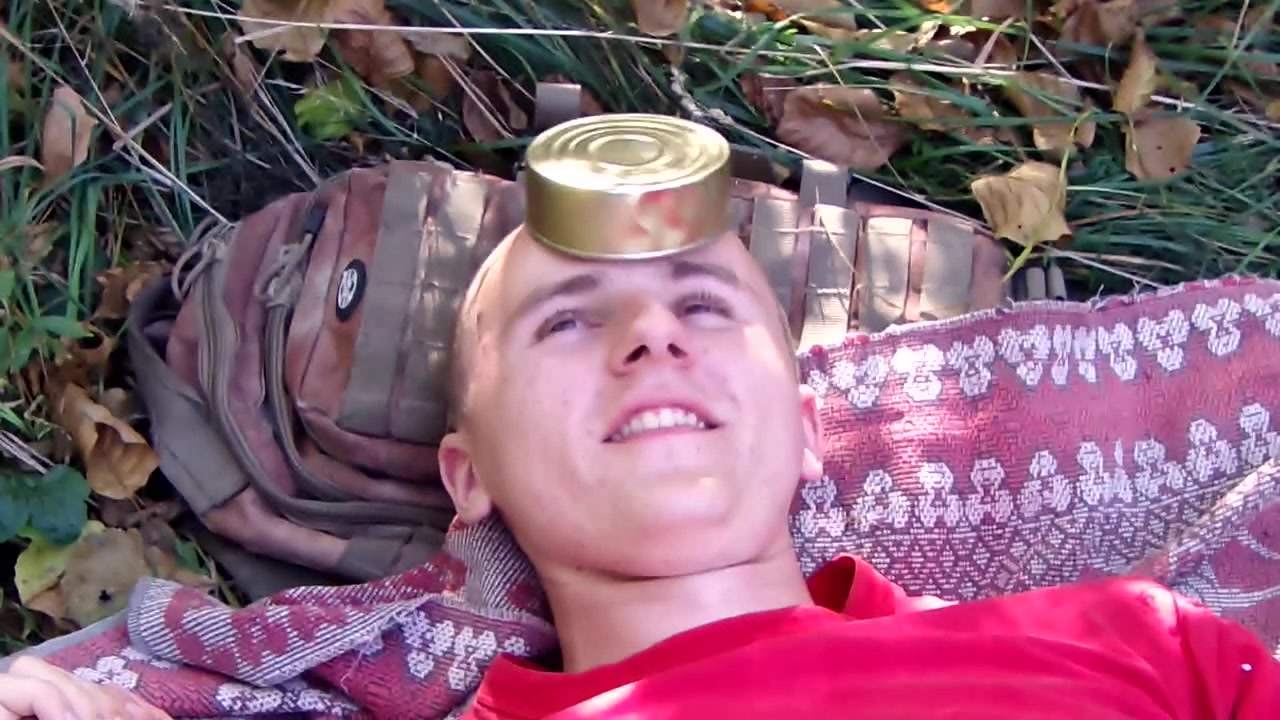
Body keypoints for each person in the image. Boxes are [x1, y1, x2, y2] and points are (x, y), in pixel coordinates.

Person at [2, 221, 1278, 718]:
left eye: (704, 307)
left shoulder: (1141, 641)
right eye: (566, 320)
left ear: (800, 420)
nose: (651, 335)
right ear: (468, 477)